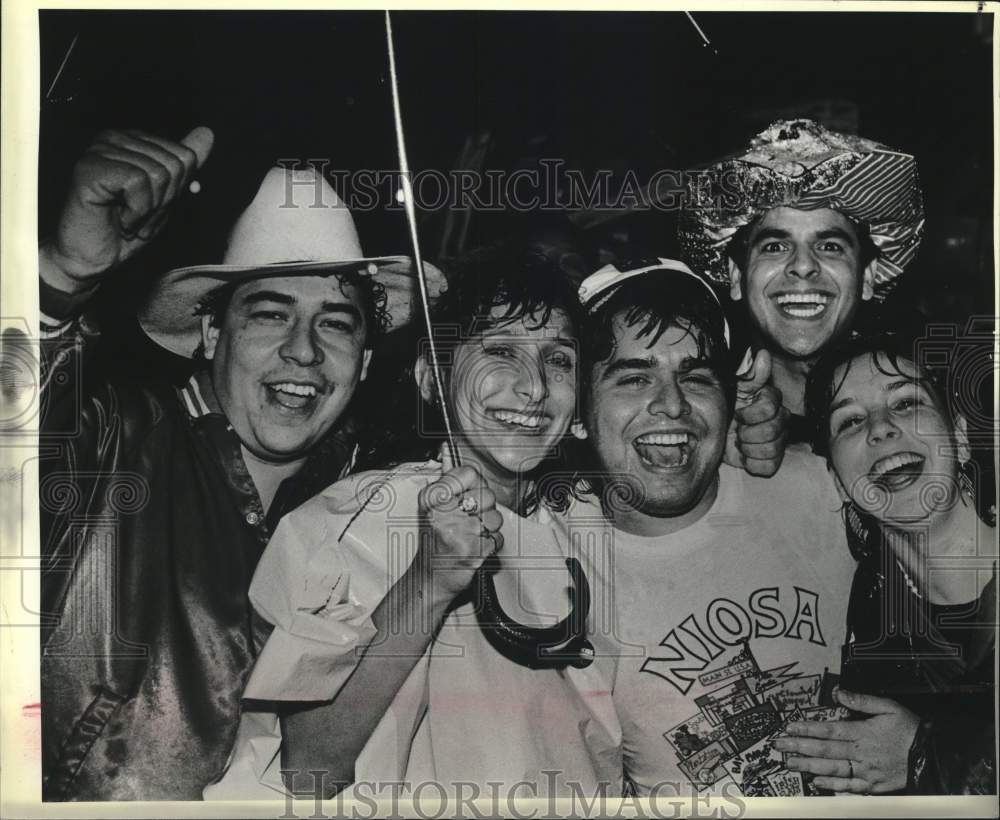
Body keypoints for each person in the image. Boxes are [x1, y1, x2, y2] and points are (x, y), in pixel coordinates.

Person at [37, 127, 444, 800]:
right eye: (269, 315)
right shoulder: (111, 441)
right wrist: (62, 274)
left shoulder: (377, 506)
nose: (305, 353)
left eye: (337, 323)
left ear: (366, 361)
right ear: (211, 333)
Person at [205, 240, 623, 800]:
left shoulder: (580, 518)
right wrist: (429, 580)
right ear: (432, 378)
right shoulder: (354, 519)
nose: (535, 386)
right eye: (500, 351)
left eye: (559, 359)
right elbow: (308, 764)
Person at [562, 259, 857, 797]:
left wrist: (931, 742)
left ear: (733, 397)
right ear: (577, 411)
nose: (672, 404)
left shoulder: (818, 487)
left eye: (697, 377)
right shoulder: (545, 557)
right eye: (634, 377)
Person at [773, 329, 996, 794]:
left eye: (906, 403)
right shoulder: (871, 619)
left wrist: (926, 757)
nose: (880, 428)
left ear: (959, 435)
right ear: (837, 480)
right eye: (850, 422)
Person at [679, 118, 925, 443]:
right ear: (736, 276)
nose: (803, 266)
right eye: (775, 246)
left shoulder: (926, 407)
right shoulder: (692, 417)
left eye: (829, 246)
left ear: (867, 277)